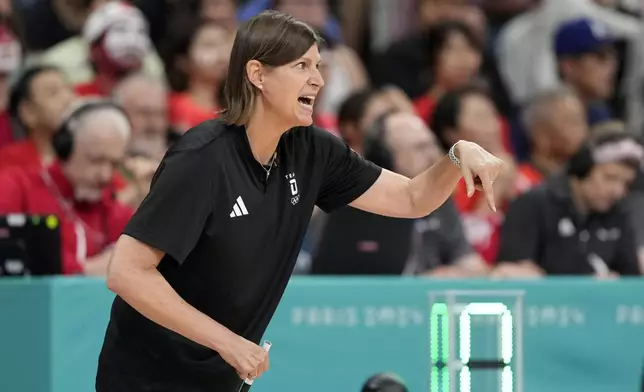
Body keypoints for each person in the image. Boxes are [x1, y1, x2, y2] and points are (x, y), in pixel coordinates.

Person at [97, 11, 503, 392]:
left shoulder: (313, 151)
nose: (318, 81)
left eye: (318, 66)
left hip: (221, 378)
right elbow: (127, 273)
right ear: (257, 74)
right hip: (146, 376)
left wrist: (456, 156)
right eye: (302, 67)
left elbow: (413, 198)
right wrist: (229, 343)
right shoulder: (201, 159)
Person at [0, 99, 133, 275]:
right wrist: (84, 270)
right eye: (95, 160)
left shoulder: (111, 207)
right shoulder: (17, 186)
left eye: (114, 164)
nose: (105, 175)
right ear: (64, 147)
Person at [494, 131, 643, 278]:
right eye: (610, 178)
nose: (618, 191)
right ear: (582, 168)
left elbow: (630, 277)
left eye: (626, 183)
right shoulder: (532, 205)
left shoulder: (619, 212)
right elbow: (513, 270)